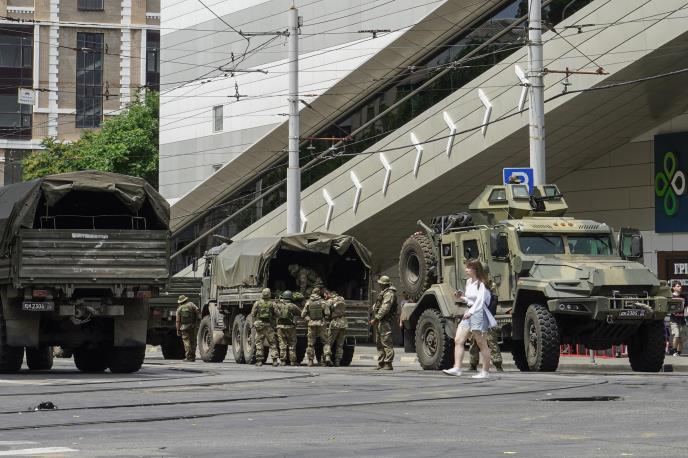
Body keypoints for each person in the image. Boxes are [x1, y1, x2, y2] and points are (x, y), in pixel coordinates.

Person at [443, 260, 497, 379]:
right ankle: (457, 368)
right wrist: (462, 297)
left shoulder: (482, 283)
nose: (466, 269)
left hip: (479, 313)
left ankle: (485, 372)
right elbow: (471, 299)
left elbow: (480, 301)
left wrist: (471, 312)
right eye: (466, 267)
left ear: (475, 269)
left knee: (481, 343)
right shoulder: (468, 282)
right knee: (458, 339)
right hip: (470, 311)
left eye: (468, 267)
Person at [371, 276, 397, 370]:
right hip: (380, 321)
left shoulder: (389, 293)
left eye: (380, 283)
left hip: (384, 321)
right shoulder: (384, 293)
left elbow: (385, 308)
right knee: (379, 343)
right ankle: (381, 362)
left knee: (386, 342)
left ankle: (388, 363)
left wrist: (376, 318)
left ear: (383, 284)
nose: (379, 285)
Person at [301, 287, 331, 366]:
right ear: (318, 293)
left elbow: (303, 315)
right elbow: (327, 313)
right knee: (325, 341)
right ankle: (327, 357)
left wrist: (309, 319)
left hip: (311, 324)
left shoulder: (308, 302)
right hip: (321, 323)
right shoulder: (323, 302)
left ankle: (310, 361)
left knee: (310, 343)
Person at [250, 288, 278, 367]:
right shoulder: (272, 303)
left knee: (259, 343)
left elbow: (253, 314)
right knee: (272, 343)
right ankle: (274, 361)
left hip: (260, 326)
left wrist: (254, 323)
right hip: (269, 326)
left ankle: (259, 361)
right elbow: (277, 314)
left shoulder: (257, 303)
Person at [275, 290, 302, 366]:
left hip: (280, 327)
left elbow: (274, 313)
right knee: (292, 344)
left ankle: (283, 361)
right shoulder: (292, 306)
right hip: (291, 327)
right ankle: (293, 361)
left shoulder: (278, 305)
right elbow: (301, 313)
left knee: (282, 344)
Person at [176, 295, 200, 362]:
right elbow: (197, 312)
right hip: (192, 326)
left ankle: (188, 357)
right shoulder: (191, 304)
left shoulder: (179, 308)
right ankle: (193, 356)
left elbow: (177, 321)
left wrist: (178, 329)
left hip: (184, 327)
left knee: (186, 342)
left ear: (180, 302)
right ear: (186, 300)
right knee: (193, 341)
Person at [326, 291, 348, 367]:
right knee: (340, 344)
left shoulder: (330, 301)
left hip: (335, 323)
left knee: (329, 342)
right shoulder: (342, 299)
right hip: (344, 323)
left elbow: (327, 312)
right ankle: (337, 361)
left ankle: (327, 358)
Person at [670, 281, 686, 356]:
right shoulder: (670, 297)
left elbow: (687, 307)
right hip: (674, 319)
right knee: (677, 334)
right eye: (678, 286)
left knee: (682, 338)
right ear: (673, 288)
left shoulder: (684, 297)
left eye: (680, 286)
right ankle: (674, 351)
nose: (680, 287)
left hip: (682, 320)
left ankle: (678, 352)